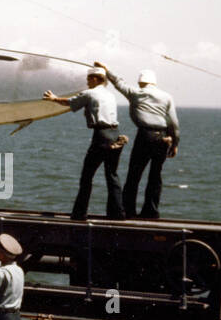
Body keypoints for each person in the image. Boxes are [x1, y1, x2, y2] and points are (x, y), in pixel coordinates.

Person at [96, 63, 181, 219]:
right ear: (154, 82)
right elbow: (173, 122)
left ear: (141, 82)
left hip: (145, 136)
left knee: (134, 175)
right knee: (156, 176)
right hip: (163, 138)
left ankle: (129, 211)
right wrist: (175, 143)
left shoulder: (135, 93)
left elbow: (118, 82)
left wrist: (107, 70)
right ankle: (151, 212)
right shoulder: (167, 96)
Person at [44, 66, 126, 220]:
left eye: (89, 79)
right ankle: (118, 214)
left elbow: (70, 102)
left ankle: (79, 214)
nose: (87, 82)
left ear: (95, 78)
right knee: (112, 175)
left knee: (87, 176)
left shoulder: (90, 93)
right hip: (116, 135)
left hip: (101, 136)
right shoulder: (110, 95)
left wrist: (54, 98)